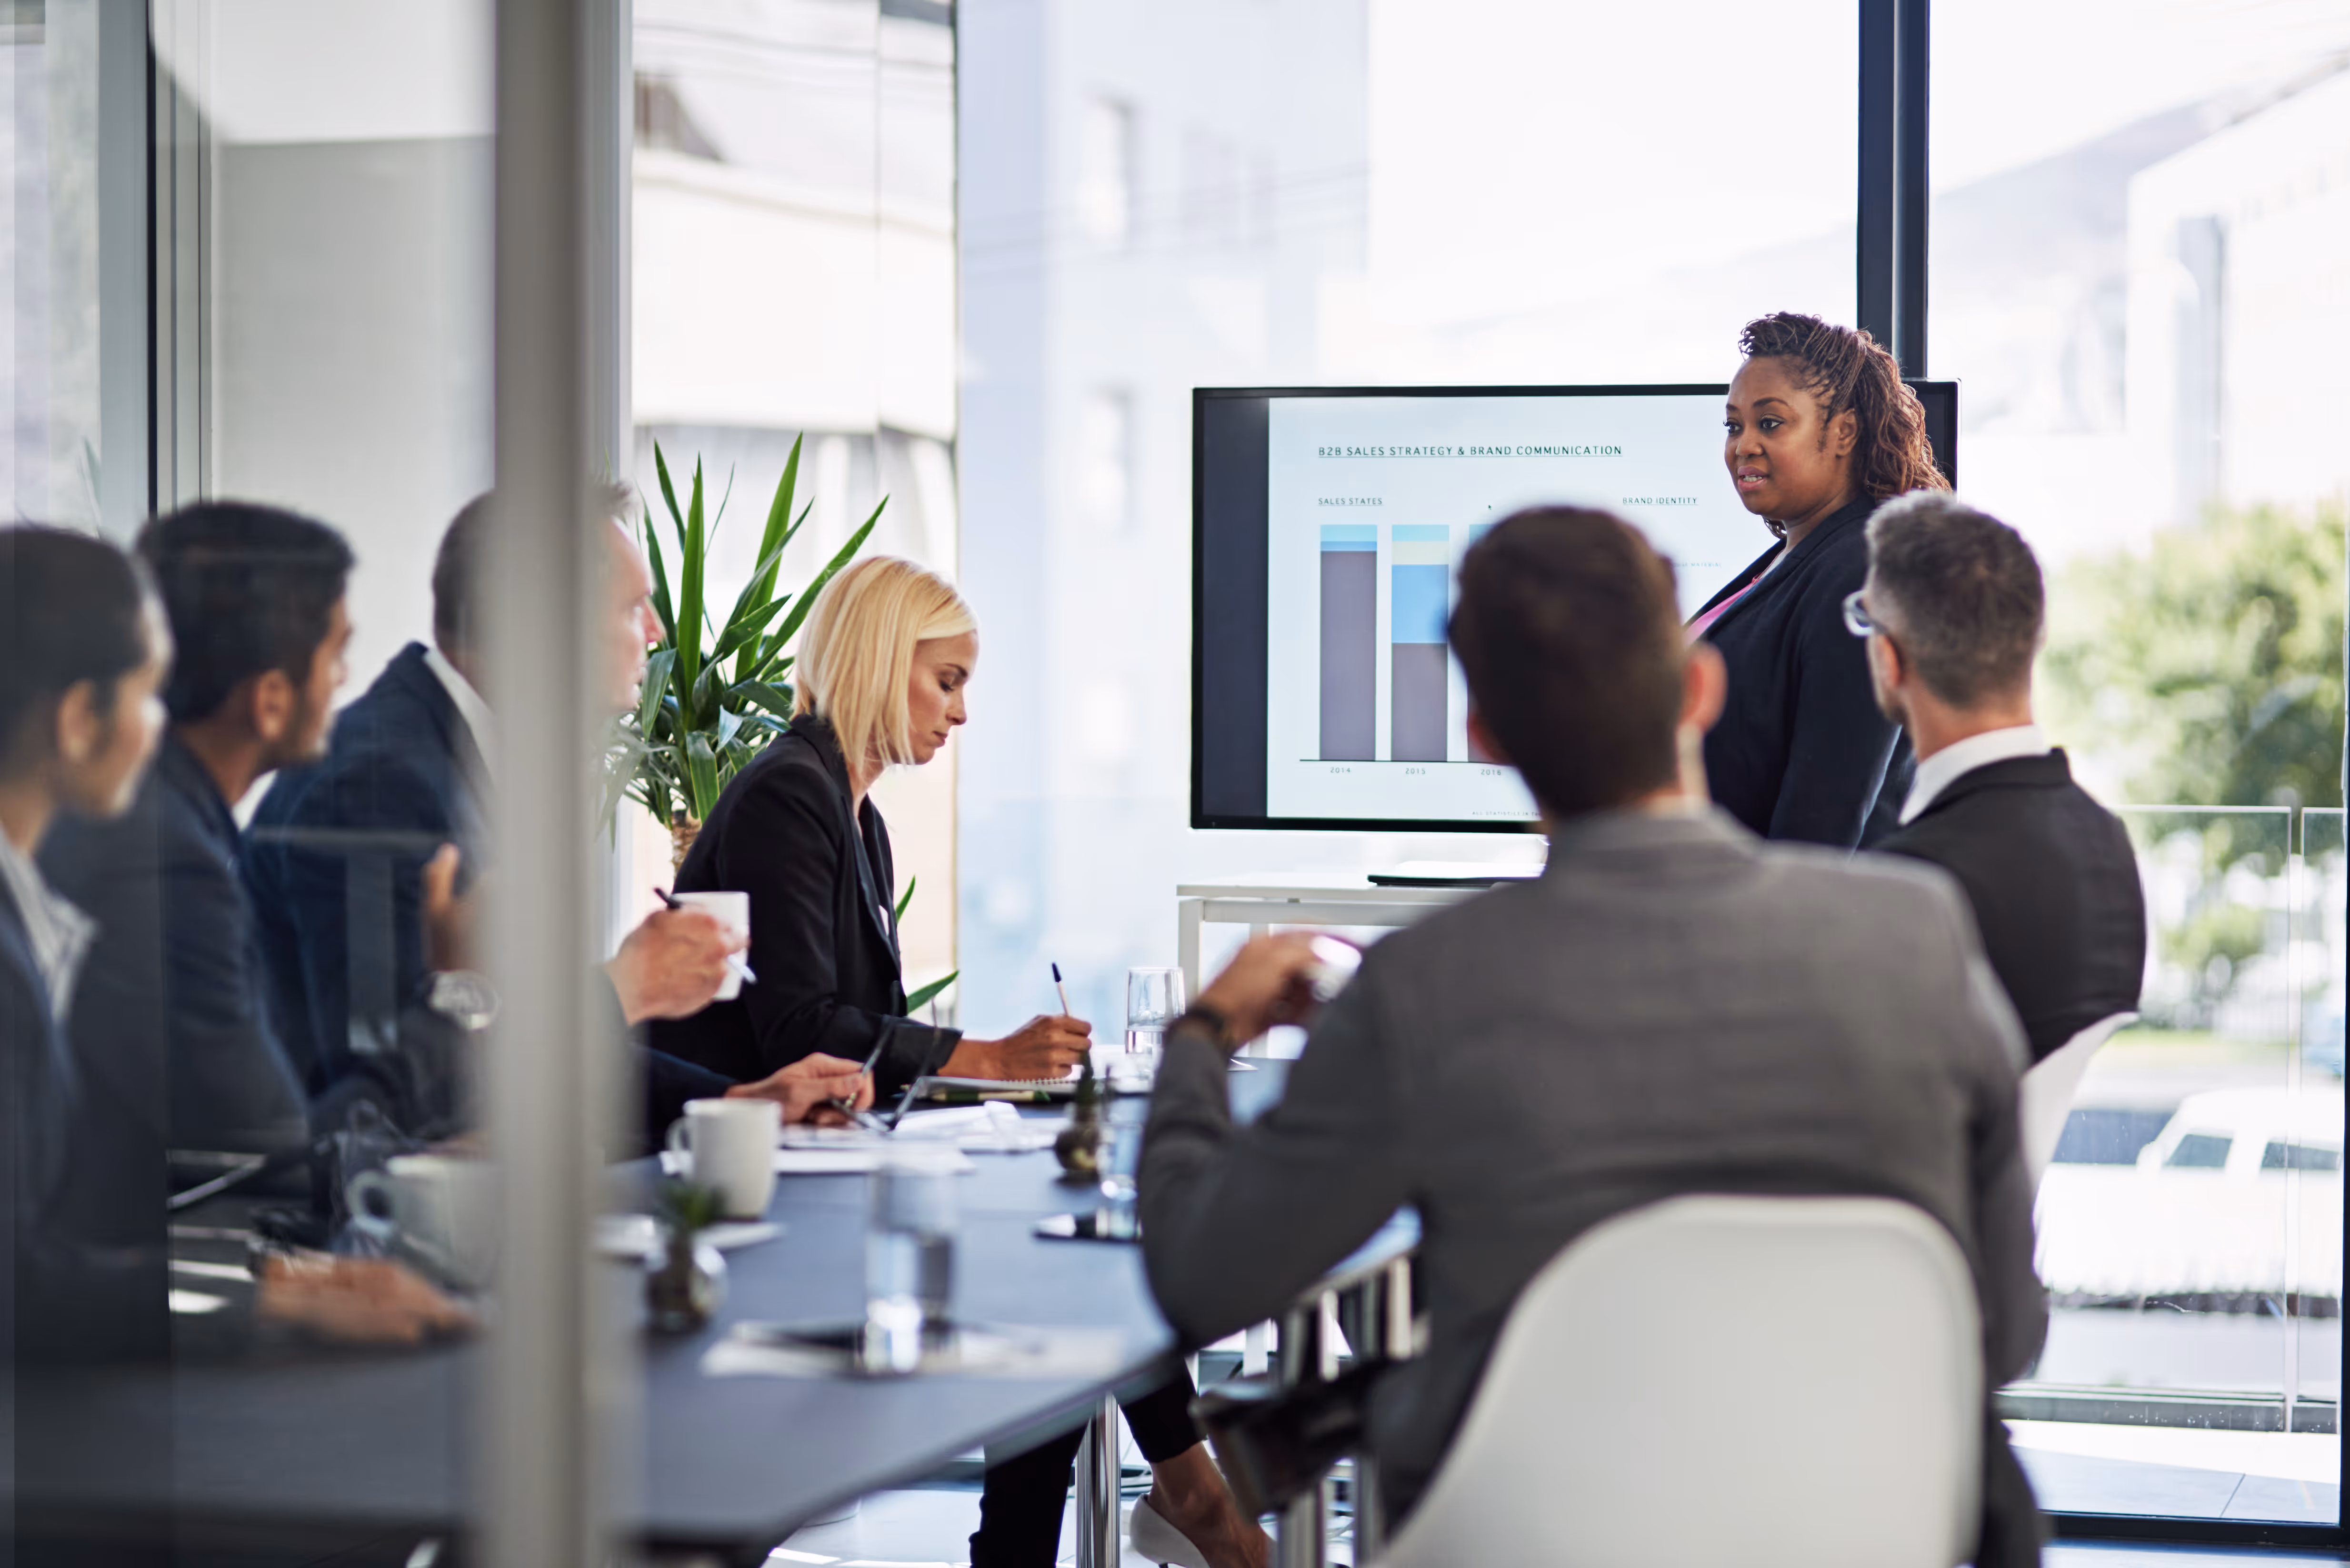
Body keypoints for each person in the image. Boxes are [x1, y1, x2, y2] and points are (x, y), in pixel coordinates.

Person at [1137, 507, 2048, 1567]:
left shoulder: (1427, 986)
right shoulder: (1916, 935)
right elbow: (2007, 1328)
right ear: (1699, 691)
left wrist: (1202, 1033)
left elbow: (1199, 1278)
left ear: (1484, 737)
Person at [650, 557, 1262, 1568]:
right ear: (881, 661)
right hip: (750, 1181)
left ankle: (1142, 1507)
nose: (961, 713)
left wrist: (992, 1072)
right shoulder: (786, 795)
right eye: (947, 679)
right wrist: (985, 1053)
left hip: (820, 1158)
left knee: (1066, 1252)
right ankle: (1183, 1498)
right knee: (1059, 1261)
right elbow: (800, 1028)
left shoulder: (859, 817)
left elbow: (866, 1031)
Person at [246, 490, 870, 1149]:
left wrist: (735, 1101)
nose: (656, 631)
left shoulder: (457, 757)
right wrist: (621, 990)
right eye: (632, 607)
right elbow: (402, 1089)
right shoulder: (379, 785)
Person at [0, 526, 471, 1368]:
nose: (161, 727)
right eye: (149, 696)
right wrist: (458, 993)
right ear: (79, 720)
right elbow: (267, 1157)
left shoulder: (106, 860)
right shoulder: (154, 857)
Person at [41, 502, 354, 1168]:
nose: (344, 682)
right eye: (338, 655)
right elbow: (269, 1147)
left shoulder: (171, 825)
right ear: (270, 699)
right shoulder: (159, 856)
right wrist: (451, 1010)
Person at [1856, 493, 2146, 1062]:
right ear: (2030, 638)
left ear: (1890, 659)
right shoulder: (2107, 841)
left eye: (1864, 619)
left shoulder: (1908, 884)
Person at [1690, 311, 1950, 848]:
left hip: (1772, 919)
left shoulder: (1863, 569)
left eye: (1770, 423)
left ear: (1844, 432)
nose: (1743, 446)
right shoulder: (1794, 555)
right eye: (1734, 425)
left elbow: (1823, 822)